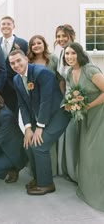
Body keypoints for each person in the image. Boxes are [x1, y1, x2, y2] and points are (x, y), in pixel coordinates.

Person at [9, 49, 70, 195]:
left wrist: (40, 127)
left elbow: (46, 101)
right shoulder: (16, 79)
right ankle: (38, 179)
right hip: (40, 117)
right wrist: (28, 128)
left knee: (39, 145)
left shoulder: (41, 72)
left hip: (59, 114)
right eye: (12, 63)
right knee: (28, 144)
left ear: (26, 59)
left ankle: (47, 184)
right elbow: (22, 105)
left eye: (19, 61)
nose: (16, 65)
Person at [64, 42, 104, 211]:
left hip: (100, 114)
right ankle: (88, 186)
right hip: (85, 118)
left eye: (73, 53)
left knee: (96, 153)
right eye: (66, 54)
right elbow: (70, 93)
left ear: (79, 54)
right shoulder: (69, 72)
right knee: (86, 153)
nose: (69, 57)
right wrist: (70, 104)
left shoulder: (90, 70)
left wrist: (88, 106)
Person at [27, 34, 64, 176]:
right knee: (37, 137)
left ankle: (51, 170)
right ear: (30, 47)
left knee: (48, 137)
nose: (36, 46)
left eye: (39, 43)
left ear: (44, 44)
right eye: (33, 44)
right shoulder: (28, 62)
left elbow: (60, 79)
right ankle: (36, 170)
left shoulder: (53, 59)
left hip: (52, 103)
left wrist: (62, 98)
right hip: (36, 104)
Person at [54, 24, 78, 180]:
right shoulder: (62, 53)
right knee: (64, 134)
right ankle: (66, 168)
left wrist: (76, 98)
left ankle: (76, 170)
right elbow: (62, 78)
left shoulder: (77, 51)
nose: (61, 39)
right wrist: (65, 96)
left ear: (71, 36)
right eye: (58, 36)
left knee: (73, 134)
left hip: (78, 99)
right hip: (67, 99)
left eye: (64, 36)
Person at [0, 16, 28, 115]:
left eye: (8, 24)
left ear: (13, 26)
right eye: (3, 24)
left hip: (15, 84)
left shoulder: (22, 43)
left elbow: (27, 62)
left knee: (13, 114)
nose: (6, 26)